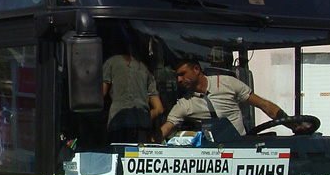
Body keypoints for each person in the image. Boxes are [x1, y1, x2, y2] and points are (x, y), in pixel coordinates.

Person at [159, 57, 290, 139]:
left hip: (242, 148)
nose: (179, 80)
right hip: (213, 156)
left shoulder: (228, 83)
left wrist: (293, 125)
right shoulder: (185, 104)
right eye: (177, 76)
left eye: (182, 74)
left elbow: (264, 105)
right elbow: (167, 128)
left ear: (197, 69)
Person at [102, 52, 164, 144]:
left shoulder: (111, 62)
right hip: (143, 127)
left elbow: (100, 95)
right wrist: (143, 118)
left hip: (118, 124)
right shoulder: (145, 68)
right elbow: (159, 109)